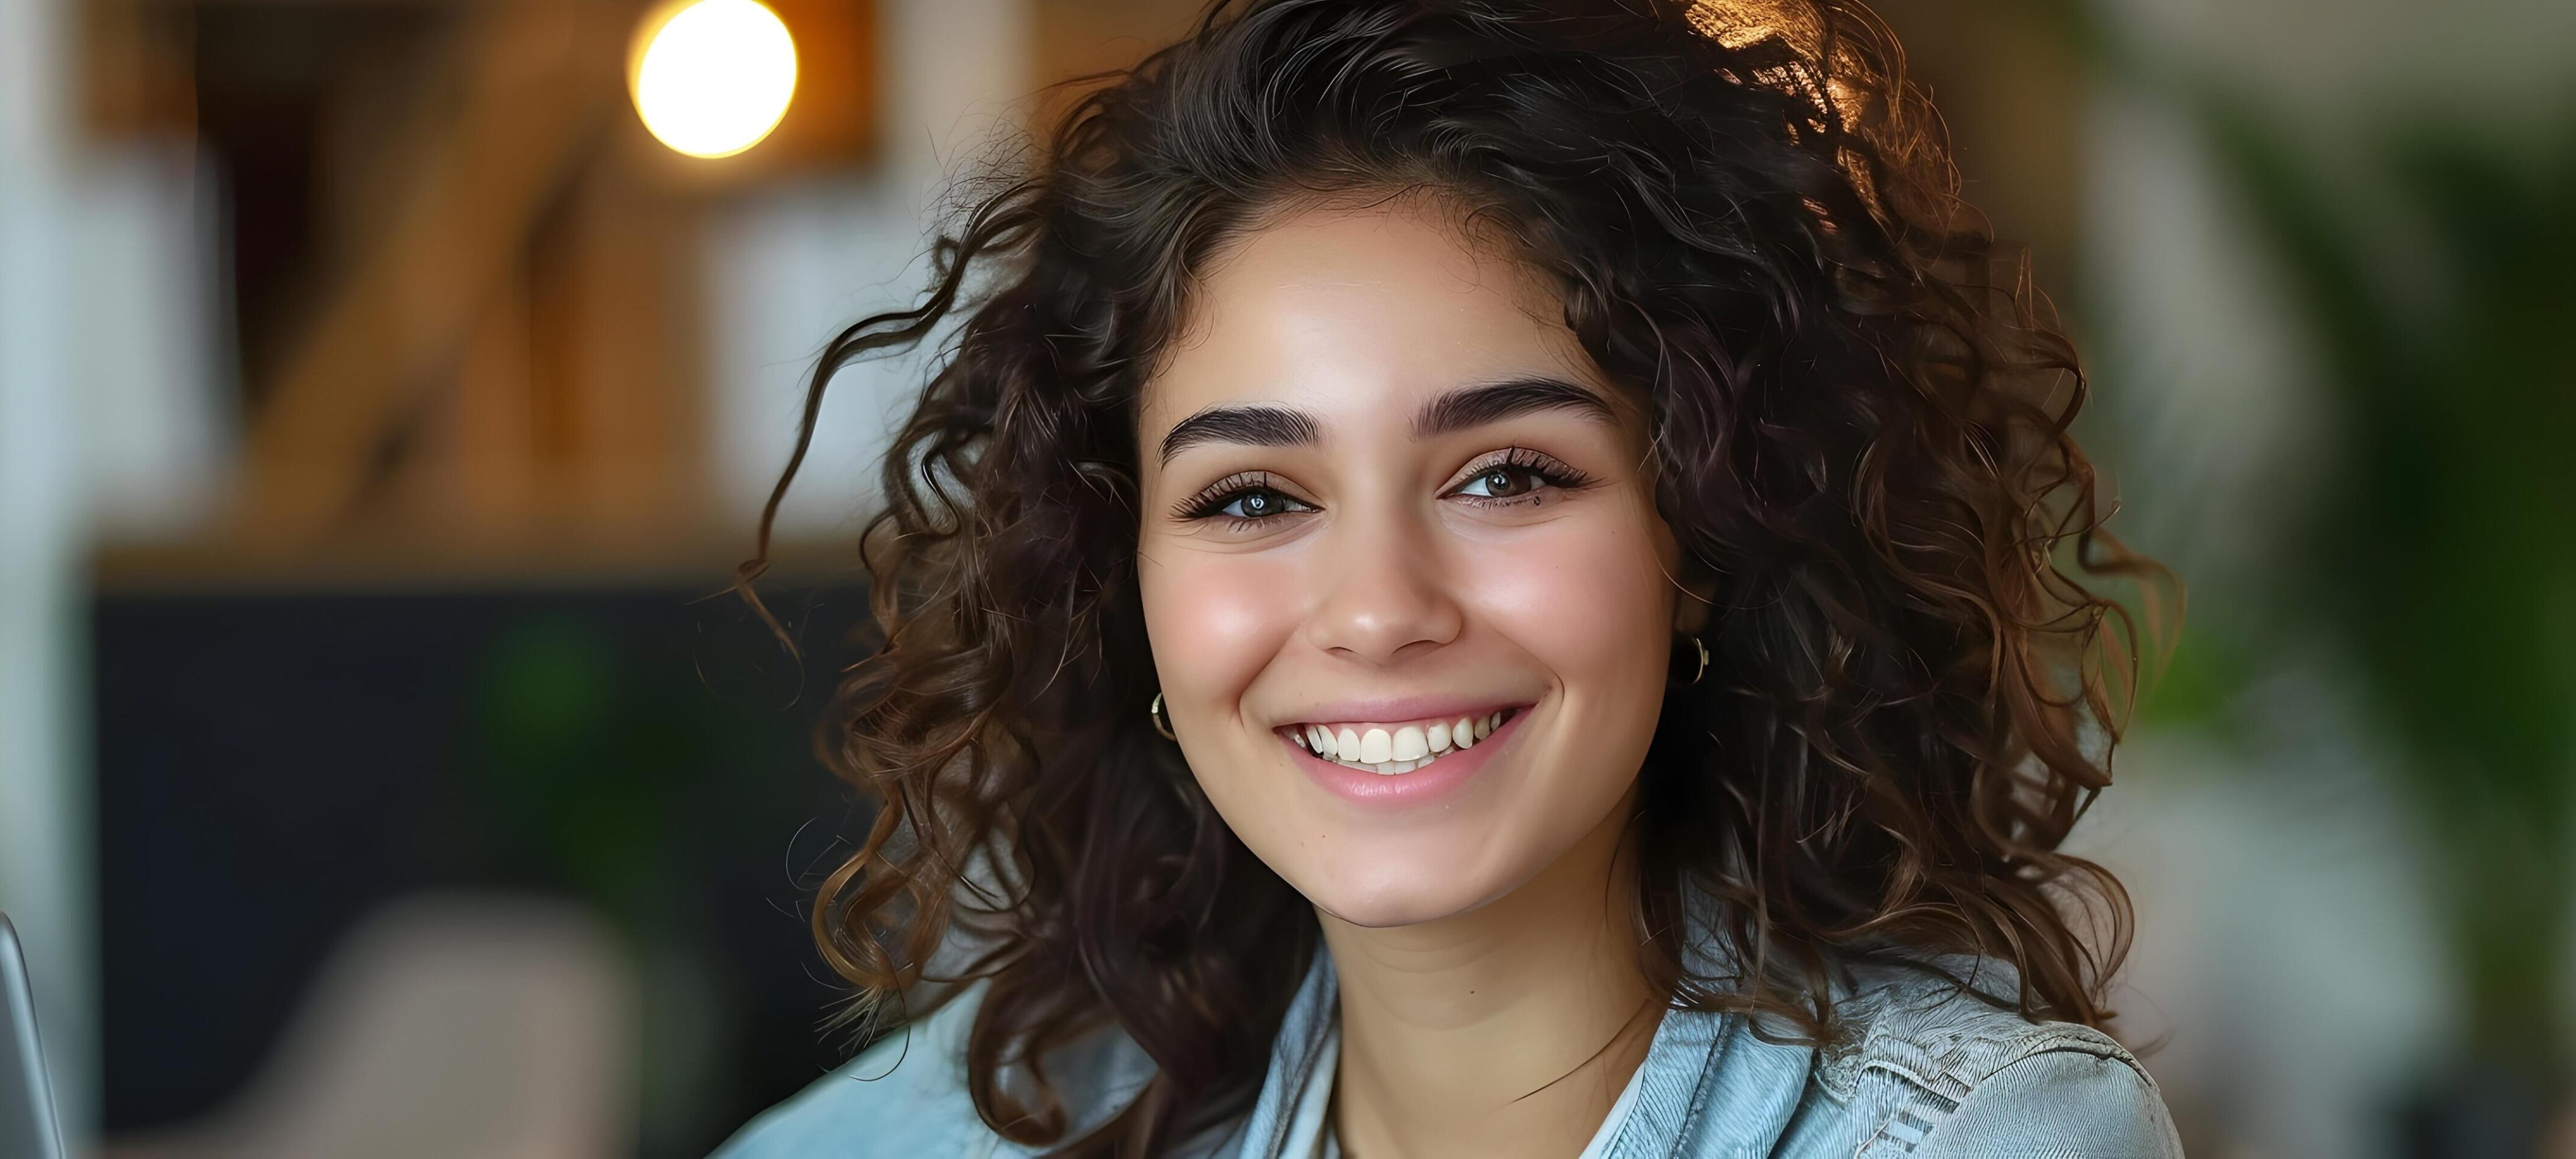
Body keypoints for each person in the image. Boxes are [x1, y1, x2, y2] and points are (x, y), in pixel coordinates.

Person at [718, 0, 2181, 1154]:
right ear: (1128, 588)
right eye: (1250, 495)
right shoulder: (1028, 1108)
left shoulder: (1970, 1137)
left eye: (1508, 474)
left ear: (1705, 537)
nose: (1378, 608)